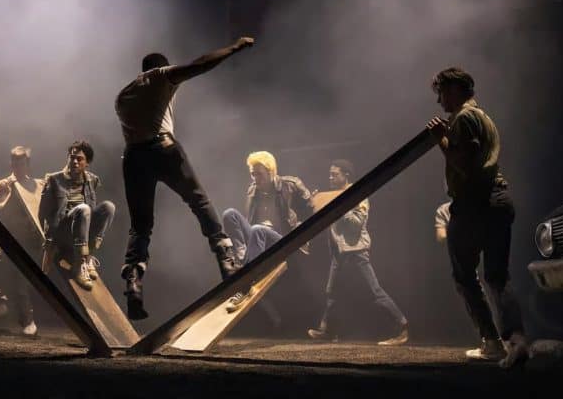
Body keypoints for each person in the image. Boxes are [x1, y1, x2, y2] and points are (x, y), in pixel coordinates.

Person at [115, 37, 254, 319]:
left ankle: (133, 280)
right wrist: (234, 47)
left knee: (140, 227)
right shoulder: (160, 76)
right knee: (199, 200)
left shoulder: (122, 96)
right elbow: (199, 65)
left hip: (133, 158)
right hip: (162, 149)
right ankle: (225, 257)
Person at [426, 66, 527, 368]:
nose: (439, 101)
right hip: (497, 199)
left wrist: (440, 140)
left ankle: (492, 342)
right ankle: (517, 342)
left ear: (456, 89)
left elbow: (465, 165)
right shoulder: (484, 117)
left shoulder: (464, 119)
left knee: (464, 276)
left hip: (475, 203)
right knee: (497, 276)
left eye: (441, 93)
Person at [307, 160, 409, 345]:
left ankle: (402, 327)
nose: (330, 177)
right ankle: (328, 330)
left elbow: (357, 224)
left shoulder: (358, 194)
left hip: (356, 251)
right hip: (339, 253)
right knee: (332, 292)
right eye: (330, 174)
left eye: (335, 174)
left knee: (375, 291)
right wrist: (318, 203)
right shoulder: (334, 195)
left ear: (346, 175)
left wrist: (339, 206)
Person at [221, 151, 312, 313]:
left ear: (272, 172)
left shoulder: (290, 185)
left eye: (260, 174)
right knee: (229, 214)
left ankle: (245, 285)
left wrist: (299, 227)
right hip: (259, 240)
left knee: (258, 229)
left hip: (283, 241)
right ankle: (244, 264)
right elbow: (249, 220)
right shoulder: (252, 190)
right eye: (253, 174)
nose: (256, 179)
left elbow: (311, 209)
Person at [0, 146, 44, 336]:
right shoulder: (4, 184)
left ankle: (29, 323)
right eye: (14, 162)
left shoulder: (38, 185)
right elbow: (1, 211)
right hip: (9, 242)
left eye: (20, 162)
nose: (17, 166)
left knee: (20, 284)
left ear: (27, 164)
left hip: (31, 244)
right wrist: (12, 192)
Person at [39, 140, 116, 290]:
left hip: (82, 232)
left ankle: (87, 257)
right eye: (71, 157)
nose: (74, 161)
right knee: (84, 209)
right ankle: (78, 265)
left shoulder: (92, 180)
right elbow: (42, 212)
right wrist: (49, 240)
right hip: (63, 232)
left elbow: (94, 216)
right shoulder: (54, 180)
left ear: (87, 163)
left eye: (79, 159)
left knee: (109, 207)